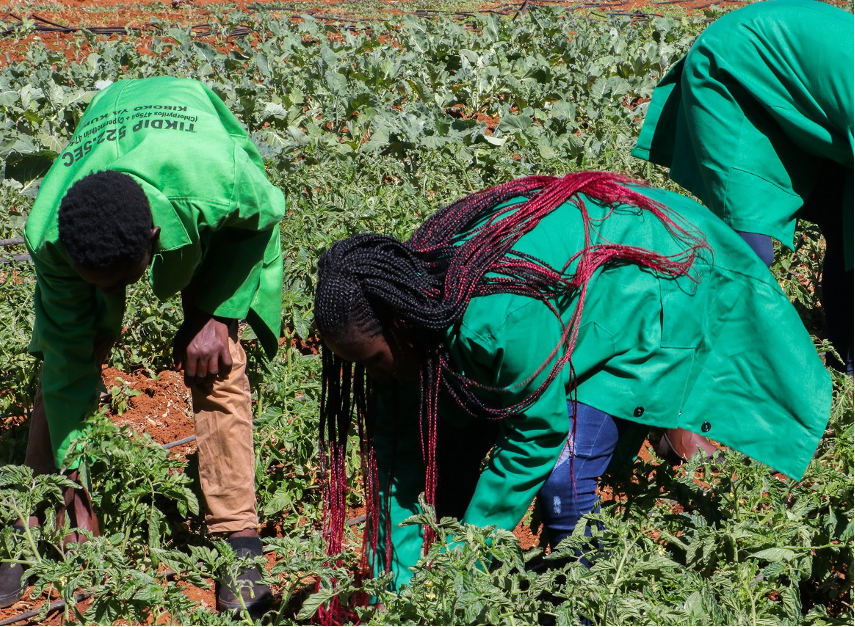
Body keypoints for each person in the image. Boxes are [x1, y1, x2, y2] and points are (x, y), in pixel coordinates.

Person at [314, 172, 830, 589]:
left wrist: (460, 560)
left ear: (402, 324)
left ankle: (591, 597)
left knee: (563, 480)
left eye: (376, 360)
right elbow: (401, 451)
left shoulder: (495, 321)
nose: (372, 374)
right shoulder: (399, 325)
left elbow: (536, 434)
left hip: (651, 286)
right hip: (558, 306)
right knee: (440, 452)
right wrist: (398, 585)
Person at [0, 76, 284, 612]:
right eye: (101, 285)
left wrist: (219, 316)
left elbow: (262, 220)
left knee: (215, 358)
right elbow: (68, 358)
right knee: (66, 352)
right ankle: (39, 507)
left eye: (123, 281)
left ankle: (238, 538)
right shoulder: (53, 232)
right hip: (113, 140)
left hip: (192, 157)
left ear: (156, 242)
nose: (118, 300)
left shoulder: (217, 181)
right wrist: (77, 486)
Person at [632, 0, 853, 376]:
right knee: (748, 251)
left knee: (843, 228)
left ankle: (847, 362)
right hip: (735, 68)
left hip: (805, 86)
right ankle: (681, 373)